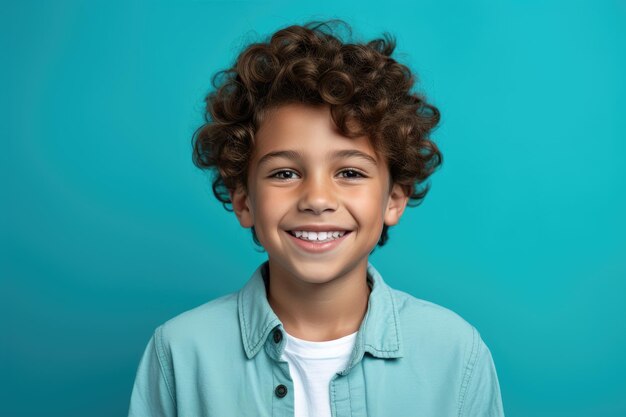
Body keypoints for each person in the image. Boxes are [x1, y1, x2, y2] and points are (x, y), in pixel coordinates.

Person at [127, 19, 505, 417]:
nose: (318, 199)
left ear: (393, 199)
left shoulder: (456, 353)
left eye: (350, 173)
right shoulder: (180, 352)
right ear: (243, 200)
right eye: (285, 173)